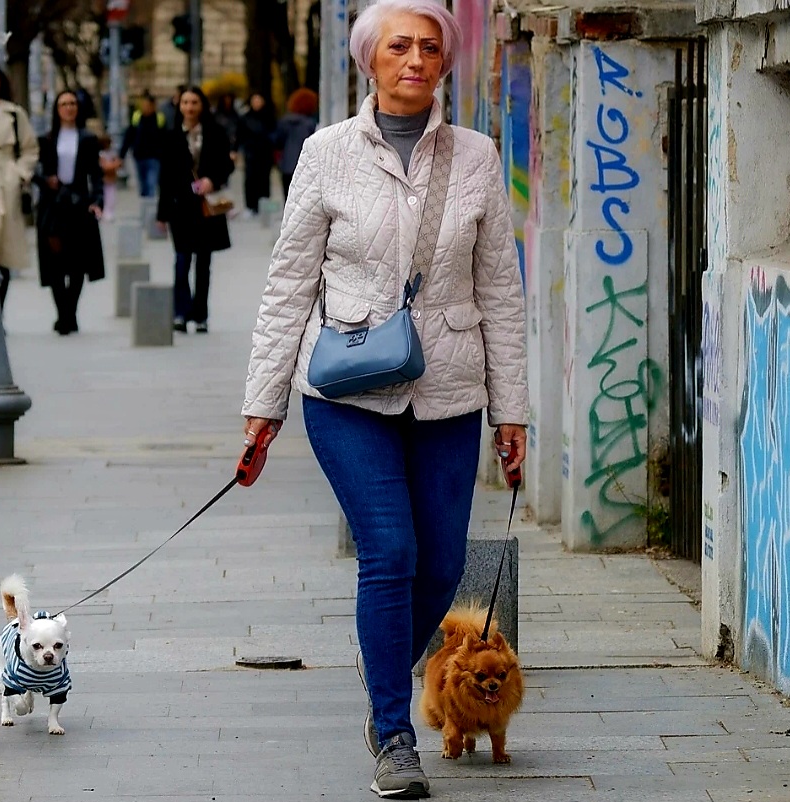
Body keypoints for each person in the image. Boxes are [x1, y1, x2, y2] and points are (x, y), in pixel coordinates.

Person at [240, 1, 529, 798]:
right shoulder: (326, 153)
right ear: (370, 59)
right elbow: (289, 283)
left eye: (429, 47)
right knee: (391, 552)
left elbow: (501, 291)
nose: (415, 60)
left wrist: (512, 410)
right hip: (346, 392)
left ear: (445, 63)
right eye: (399, 46)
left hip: (448, 391)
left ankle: (382, 663)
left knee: (441, 565)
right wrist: (263, 404)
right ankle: (394, 734)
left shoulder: (476, 157)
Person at [156, 87, 234, 333]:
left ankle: (200, 314)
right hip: (180, 207)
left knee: (203, 262)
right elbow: (164, 177)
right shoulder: (171, 136)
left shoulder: (215, 133)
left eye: (194, 102)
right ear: (179, 106)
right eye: (185, 102)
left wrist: (212, 180)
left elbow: (226, 165)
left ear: (202, 106)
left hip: (205, 207)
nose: (189, 107)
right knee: (181, 260)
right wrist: (161, 214)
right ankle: (180, 312)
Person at [32, 90, 106, 335]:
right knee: (54, 262)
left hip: (78, 203)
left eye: (73, 103)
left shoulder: (87, 138)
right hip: (52, 205)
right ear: (57, 109)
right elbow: (34, 170)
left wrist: (98, 200)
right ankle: (62, 313)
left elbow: (96, 173)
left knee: (77, 263)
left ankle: (70, 313)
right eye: (64, 104)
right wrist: (46, 180)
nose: (69, 108)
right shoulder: (47, 139)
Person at [0, 64, 39, 310]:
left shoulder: (13, 114)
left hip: (7, 183)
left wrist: (19, 174)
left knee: (2, 254)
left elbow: (30, 148)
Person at [272, 87, 318, 199]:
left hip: (286, 165)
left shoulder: (284, 122)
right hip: (304, 165)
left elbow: (278, 142)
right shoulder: (310, 124)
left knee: (288, 198)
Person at [236, 92, 275, 216]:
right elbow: (239, 135)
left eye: (259, 100)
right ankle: (250, 206)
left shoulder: (269, 117)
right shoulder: (245, 118)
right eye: (254, 100)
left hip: (265, 153)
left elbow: (274, 133)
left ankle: (264, 206)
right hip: (250, 153)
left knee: (264, 179)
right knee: (250, 180)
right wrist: (236, 150)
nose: (257, 103)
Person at [118, 92, 165, 197]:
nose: (145, 107)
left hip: (154, 157)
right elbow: (129, 136)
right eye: (143, 105)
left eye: (148, 105)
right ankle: (145, 203)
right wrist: (121, 155)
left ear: (153, 106)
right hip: (139, 156)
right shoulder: (137, 117)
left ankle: (150, 204)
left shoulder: (159, 118)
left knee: (151, 183)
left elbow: (165, 139)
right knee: (143, 184)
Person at [97, 134, 123, 221]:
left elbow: (119, 163)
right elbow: (105, 167)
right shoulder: (101, 154)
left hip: (111, 179)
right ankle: (102, 212)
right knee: (104, 197)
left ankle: (109, 212)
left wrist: (114, 164)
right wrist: (114, 165)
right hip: (103, 179)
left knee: (111, 198)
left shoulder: (112, 153)